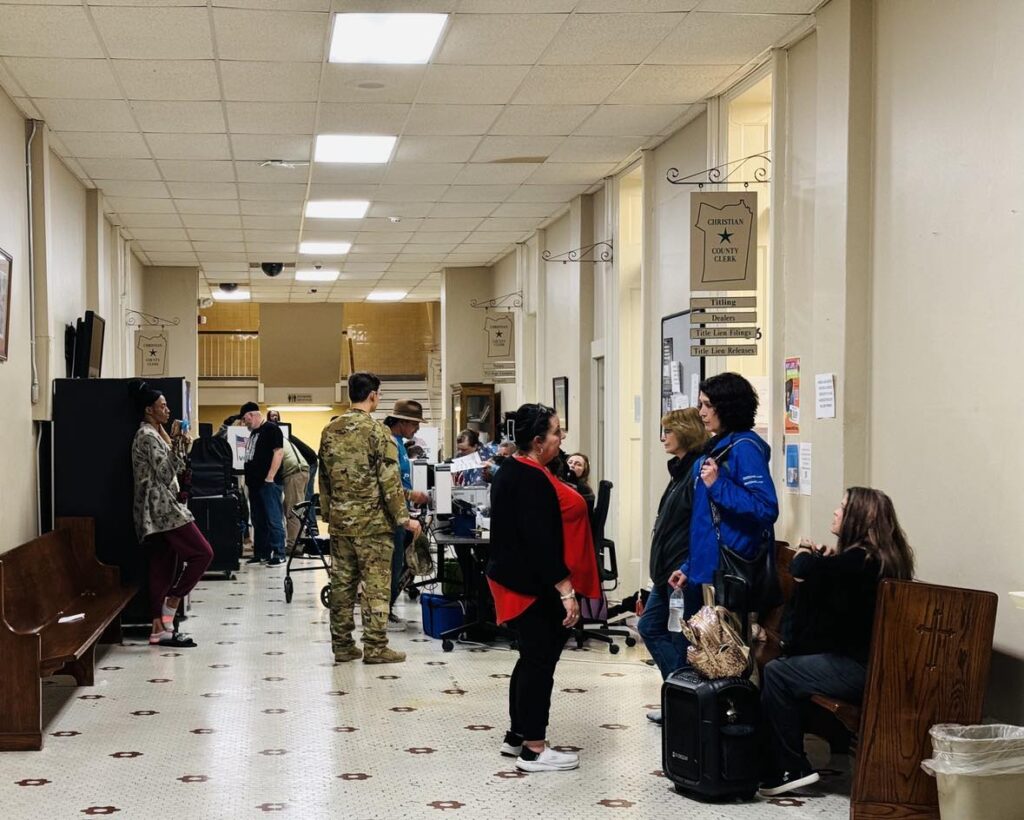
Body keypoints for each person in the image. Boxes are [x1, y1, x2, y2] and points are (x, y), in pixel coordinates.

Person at [758, 487, 915, 797]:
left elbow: (802, 568)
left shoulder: (861, 560)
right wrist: (830, 560)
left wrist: (805, 549)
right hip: (872, 661)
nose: (836, 512)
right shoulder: (881, 558)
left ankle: (791, 767)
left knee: (778, 672)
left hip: (859, 667)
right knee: (787, 665)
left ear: (862, 517)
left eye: (842, 508)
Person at [486, 404, 600, 773]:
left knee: (531, 659)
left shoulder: (518, 469)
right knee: (540, 663)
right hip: (531, 585)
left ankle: (518, 735)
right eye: (555, 432)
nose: (561, 438)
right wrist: (566, 590)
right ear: (537, 441)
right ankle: (535, 749)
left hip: (518, 579)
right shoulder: (529, 478)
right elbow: (540, 541)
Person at [319, 373, 422, 665]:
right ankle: (375, 647)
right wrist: (403, 519)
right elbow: (388, 482)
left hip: (341, 523)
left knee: (342, 584)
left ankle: (342, 646)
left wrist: (328, 513)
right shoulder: (379, 434)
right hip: (374, 525)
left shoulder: (330, 430)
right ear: (374, 395)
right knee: (376, 584)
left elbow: (323, 478)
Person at [669, 373, 779, 613]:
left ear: (728, 407)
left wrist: (719, 485)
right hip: (706, 570)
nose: (701, 412)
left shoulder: (745, 449)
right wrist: (690, 567)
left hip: (730, 574)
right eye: (700, 404)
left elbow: (766, 508)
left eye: (708, 405)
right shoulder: (717, 446)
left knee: (722, 650)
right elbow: (706, 520)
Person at [637, 409, 709, 724]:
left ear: (685, 432)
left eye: (668, 431)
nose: (663, 437)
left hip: (681, 574)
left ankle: (684, 705)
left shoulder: (696, 471)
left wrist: (688, 566)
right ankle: (678, 695)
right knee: (649, 627)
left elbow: (703, 526)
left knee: (679, 639)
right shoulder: (680, 471)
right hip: (666, 573)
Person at [129, 381, 213, 648]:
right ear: (149, 410)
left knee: (162, 567)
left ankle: (160, 628)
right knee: (203, 553)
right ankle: (174, 600)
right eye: (162, 406)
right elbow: (166, 474)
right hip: (161, 509)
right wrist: (176, 443)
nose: (168, 410)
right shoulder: (147, 436)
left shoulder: (157, 434)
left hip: (159, 508)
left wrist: (178, 445)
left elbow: (174, 471)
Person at [383, 400, 430, 630]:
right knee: (392, 565)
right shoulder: (388, 444)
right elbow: (386, 486)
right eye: (414, 424)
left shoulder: (400, 443)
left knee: (400, 562)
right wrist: (412, 496)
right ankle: (383, 613)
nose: (417, 429)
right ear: (401, 422)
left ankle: (387, 608)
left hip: (401, 512)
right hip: (392, 517)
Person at [240, 401, 286, 566]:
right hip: (255, 484)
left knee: (273, 518)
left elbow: (278, 452)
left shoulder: (271, 429)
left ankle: (279, 552)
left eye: (245, 419)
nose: (244, 423)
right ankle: (261, 552)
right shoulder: (254, 433)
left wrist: (270, 477)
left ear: (252, 415)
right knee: (258, 519)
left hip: (268, 483)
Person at [267, 409, 320, 535]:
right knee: (293, 504)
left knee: (295, 506)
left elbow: (278, 458)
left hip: (306, 465)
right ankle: (301, 534)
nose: (275, 418)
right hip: (303, 466)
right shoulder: (283, 434)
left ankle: (297, 541)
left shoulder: (278, 435)